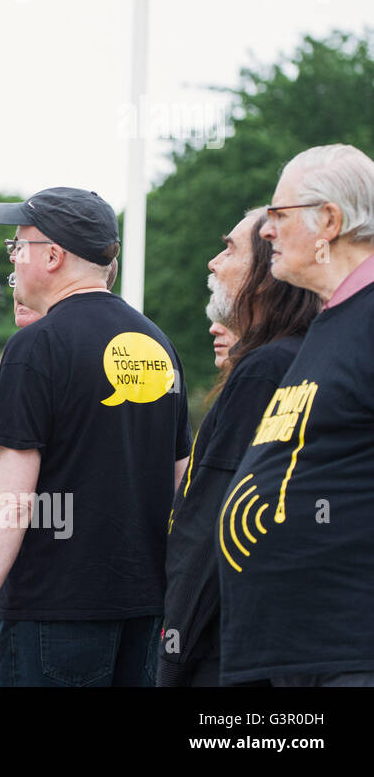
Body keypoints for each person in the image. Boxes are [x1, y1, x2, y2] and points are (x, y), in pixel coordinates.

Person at [0, 187, 191, 688]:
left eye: (18, 246)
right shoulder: (157, 344)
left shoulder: (35, 347)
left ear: (52, 256)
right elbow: (181, 483)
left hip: (54, 613)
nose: (13, 256)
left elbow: (7, 500)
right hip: (143, 612)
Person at [219, 144, 374, 686]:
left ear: (328, 221)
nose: (266, 230)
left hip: (347, 657)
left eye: (278, 216)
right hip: (293, 657)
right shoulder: (332, 323)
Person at [160, 209, 318, 687]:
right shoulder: (301, 354)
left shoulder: (266, 369)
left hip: (225, 646)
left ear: (266, 274)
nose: (212, 263)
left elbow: (216, 519)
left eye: (229, 249)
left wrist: (173, 648)